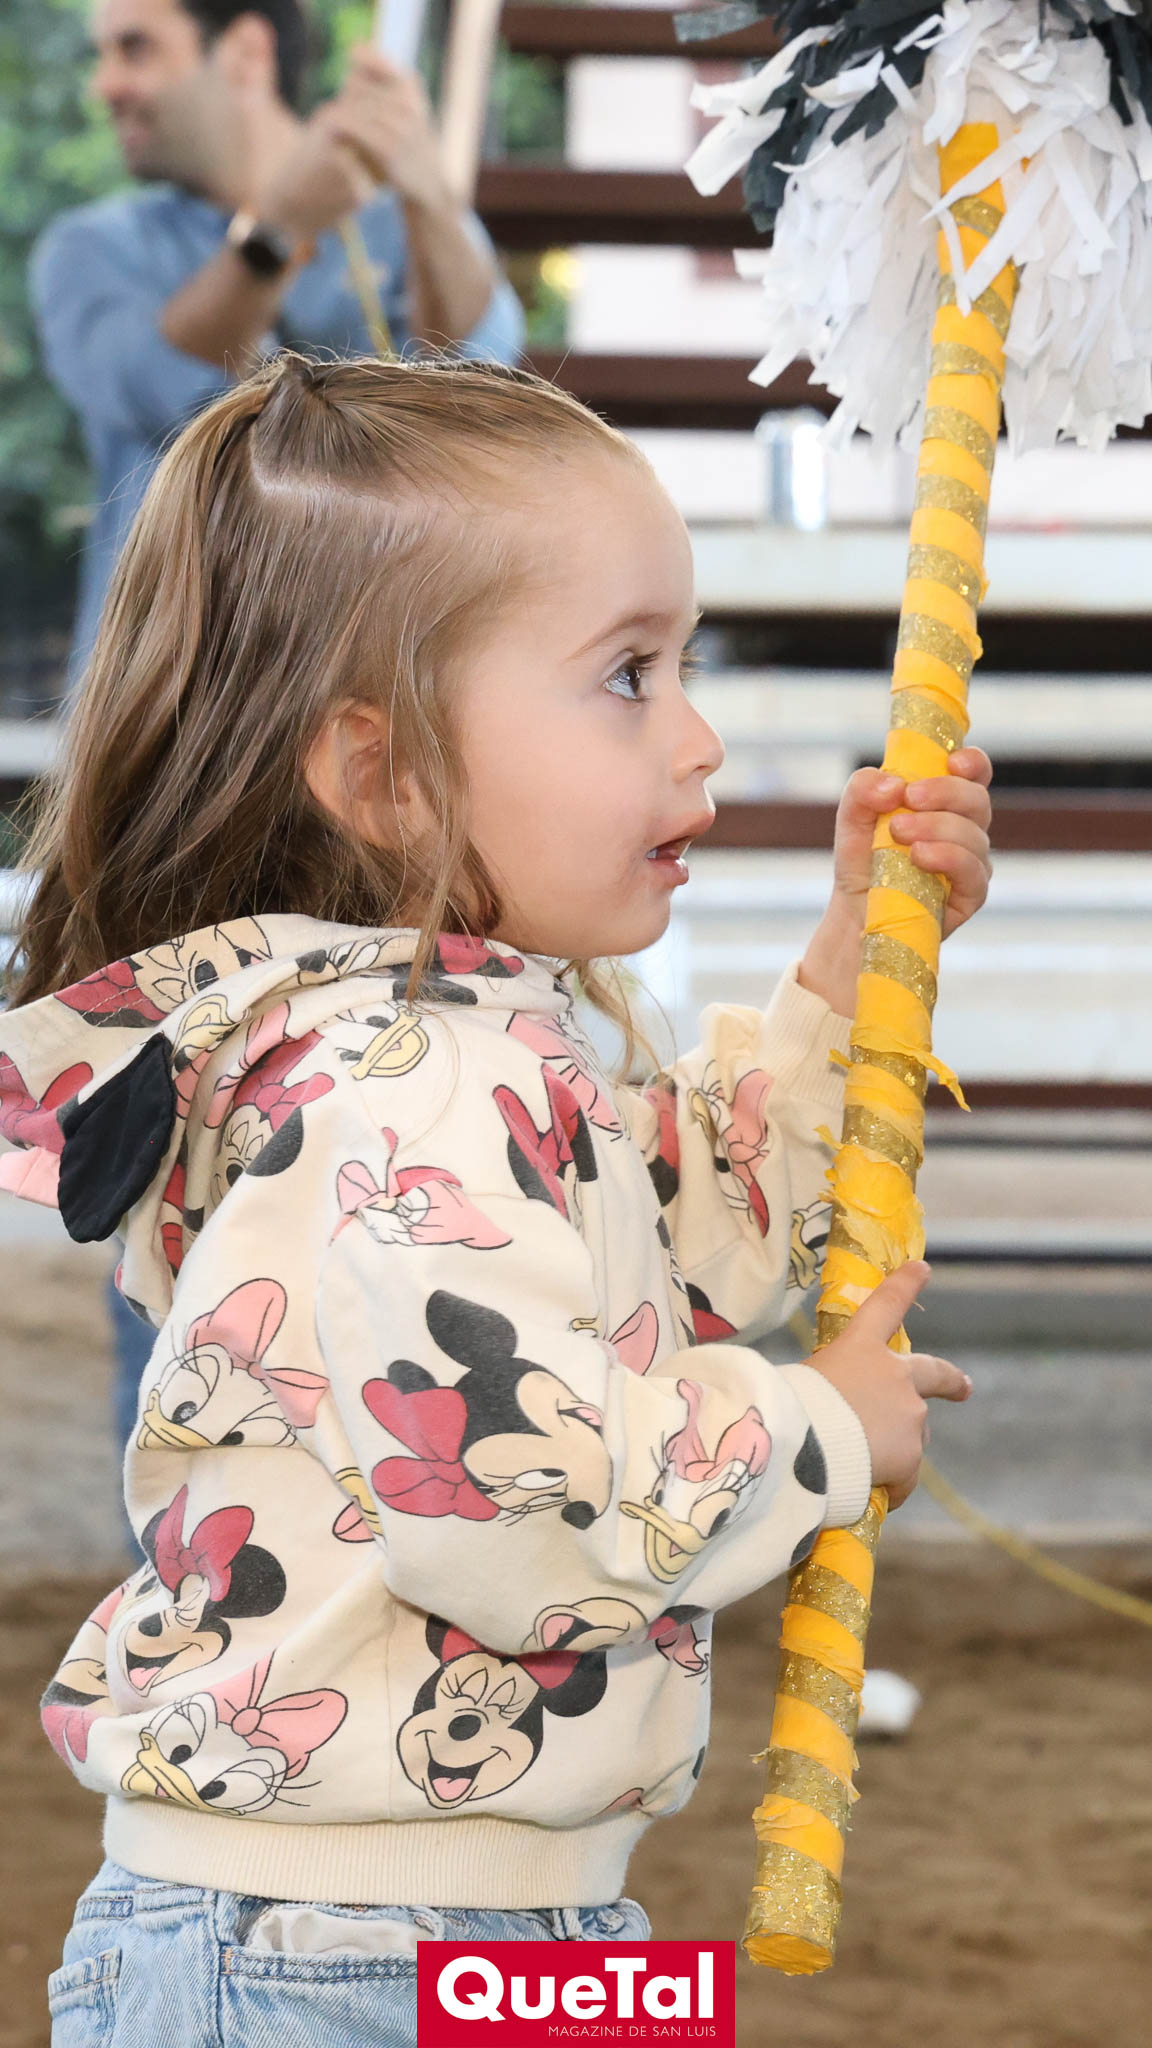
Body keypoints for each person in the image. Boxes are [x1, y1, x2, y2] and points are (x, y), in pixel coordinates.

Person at [0, 355, 989, 2046]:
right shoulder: (416, 1090)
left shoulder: (468, 1048)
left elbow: (687, 1248)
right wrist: (819, 1428)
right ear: (381, 776)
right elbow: (516, 1513)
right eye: (627, 677)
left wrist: (856, 959)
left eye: (682, 667)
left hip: (461, 1912)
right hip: (352, 1945)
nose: (698, 737)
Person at [30, 0, 524, 1437]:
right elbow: (151, 383)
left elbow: (490, 388)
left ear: (244, 52)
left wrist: (423, 192)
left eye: (134, 45)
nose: (108, 82)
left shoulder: (389, 242)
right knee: (169, 1215)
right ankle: (183, 1550)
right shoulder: (94, 247)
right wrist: (279, 228)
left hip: (379, 802)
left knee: (403, 1188)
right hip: (174, 813)